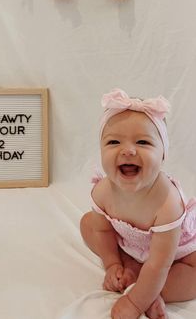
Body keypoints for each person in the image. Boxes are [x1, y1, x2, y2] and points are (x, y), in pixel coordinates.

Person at [80, 88, 196, 319]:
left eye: (143, 142)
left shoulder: (167, 203)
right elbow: (102, 229)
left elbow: (160, 264)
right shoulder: (103, 191)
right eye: (113, 142)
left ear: (163, 154)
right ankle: (127, 267)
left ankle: (150, 291)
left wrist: (134, 302)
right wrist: (112, 263)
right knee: (88, 224)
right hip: (135, 247)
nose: (128, 150)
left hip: (176, 255)